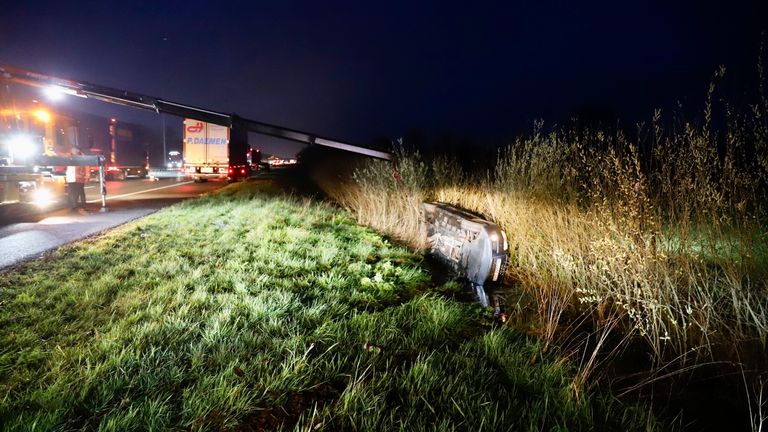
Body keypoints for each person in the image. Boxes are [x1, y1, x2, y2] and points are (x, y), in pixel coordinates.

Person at [66, 146, 89, 211]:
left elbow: (87, 167)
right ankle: (73, 206)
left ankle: (83, 206)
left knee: (80, 192)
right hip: (71, 177)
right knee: (72, 192)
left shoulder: (82, 157)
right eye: (72, 150)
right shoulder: (69, 156)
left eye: (74, 150)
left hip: (79, 177)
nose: (72, 151)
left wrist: (87, 176)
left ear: (77, 150)